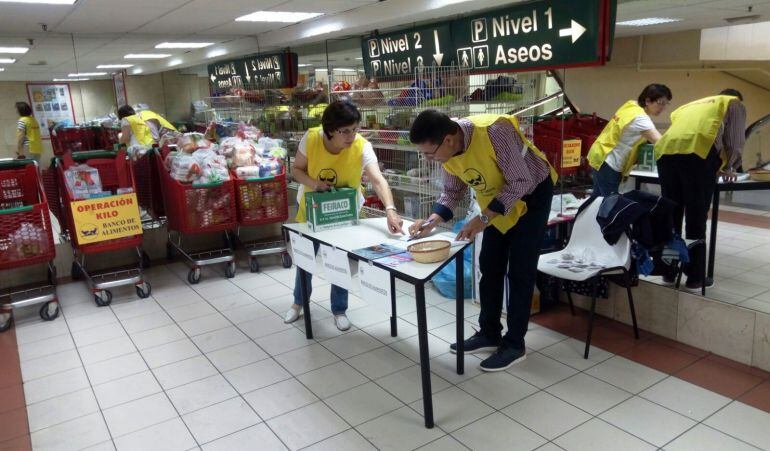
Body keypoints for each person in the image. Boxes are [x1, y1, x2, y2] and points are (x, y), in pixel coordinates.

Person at [408, 111, 557, 371]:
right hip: (498, 199)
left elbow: (521, 181)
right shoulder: (449, 153)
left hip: (532, 193)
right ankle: (490, 332)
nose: (428, 159)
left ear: (449, 140)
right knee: (489, 264)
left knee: (520, 270)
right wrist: (431, 221)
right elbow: (453, 191)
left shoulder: (493, 132)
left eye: (430, 153)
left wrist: (484, 219)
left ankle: (514, 344)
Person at [284, 100, 404, 330]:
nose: (351, 136)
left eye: (355, 129)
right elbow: (296, 170)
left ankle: (339, 308)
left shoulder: (362, 146)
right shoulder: (311, 139)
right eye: (345, 131)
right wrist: (314, 183)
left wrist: (390, 209)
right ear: (330, 130)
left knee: (339, 260)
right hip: (312, 211)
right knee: (305, 260)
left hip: (344, 213)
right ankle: (299, 303)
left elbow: (378, 180)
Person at [655, 89, 747, 291]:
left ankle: (668, 272)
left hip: (665, 154)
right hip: (696, 157)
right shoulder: (734, 103)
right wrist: (730, 165)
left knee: (672, 215)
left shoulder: (691, 105)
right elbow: (735, 139)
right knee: (696, 216)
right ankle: (695, 278)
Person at [587, 84, 672, 196]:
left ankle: (588, 214)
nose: (663, 108)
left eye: (666, 104)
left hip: (600, 155)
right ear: (647, 101)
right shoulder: (641, 119)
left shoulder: (631, 106)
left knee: (598, 200)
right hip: (610, 162)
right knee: (609, 203)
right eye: (660, 103)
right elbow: (661, 143)